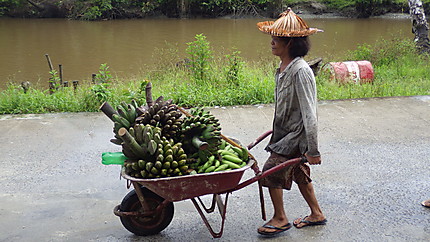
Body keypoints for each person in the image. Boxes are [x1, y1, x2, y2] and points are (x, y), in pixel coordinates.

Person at [255, 8, 326, 236]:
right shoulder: (283, 68)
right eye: (273, 37)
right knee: (298, 172)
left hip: (296, 136)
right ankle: (316, 213)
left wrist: (313, 149)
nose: (272, 42)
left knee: (270, 171)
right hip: (284, 133)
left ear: (290, 43)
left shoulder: (300, 71)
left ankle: (280, 218)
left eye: (278, 39)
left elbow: (309, 113)